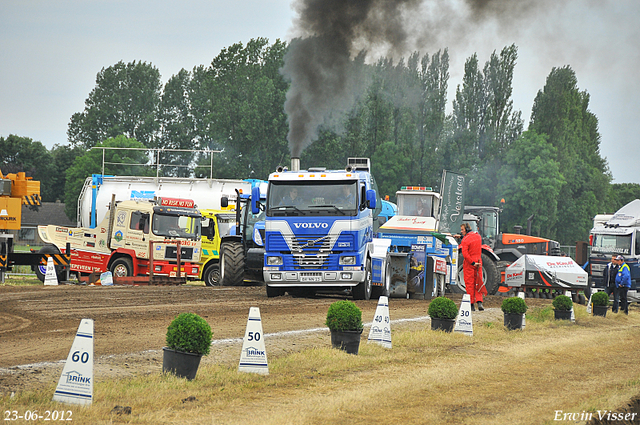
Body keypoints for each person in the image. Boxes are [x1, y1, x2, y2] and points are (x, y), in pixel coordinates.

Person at [459, 223, 486, 311]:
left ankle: (471, 305)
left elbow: (465, 254)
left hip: (470, 263)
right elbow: (471, 240)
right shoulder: (478, 237)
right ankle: (479, 302)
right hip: (479, 261)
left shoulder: (465, 240)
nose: (461, 231)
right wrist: (460, 237)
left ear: (466, 229)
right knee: (478, 282)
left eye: (462, 230)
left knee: (469, 283)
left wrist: (472, 262)